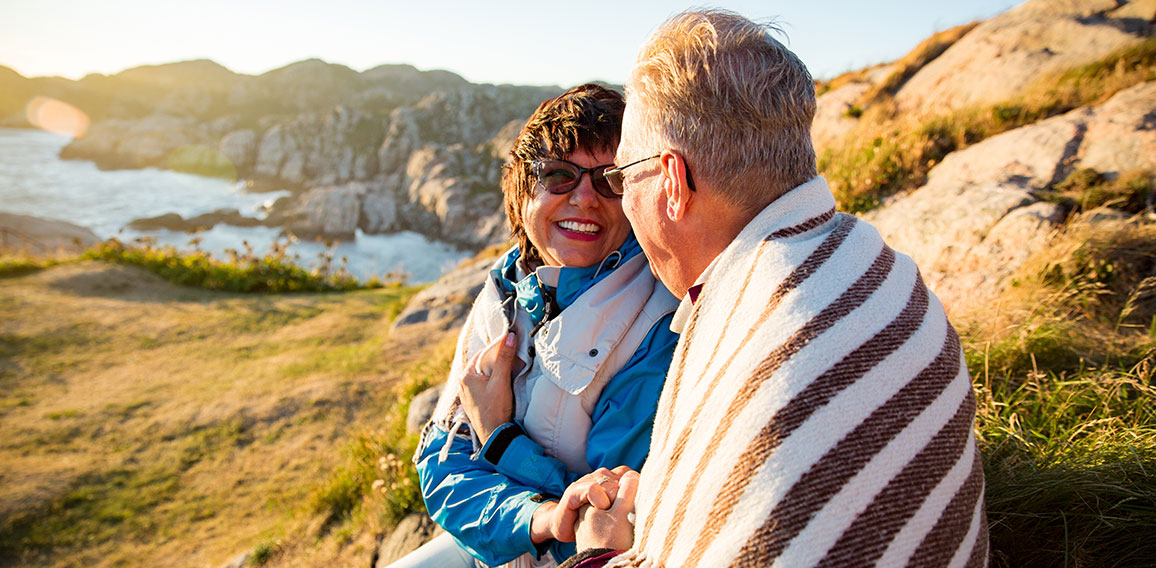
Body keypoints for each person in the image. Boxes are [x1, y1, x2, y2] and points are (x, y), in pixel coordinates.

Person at [556, 9, 989, 568]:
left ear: (673, 182)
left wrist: (596, 552)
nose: (620, 198)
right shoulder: (881, 264)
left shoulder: (739, 331)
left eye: (620, 177)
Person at [395, 84, 680, 568]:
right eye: (559, 176)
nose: (585, 198)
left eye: (609, 179)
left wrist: (498, 436)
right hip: (497, 544)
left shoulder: (656, 319)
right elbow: (441, 464)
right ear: (521, 189)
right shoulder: (506, 287)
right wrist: (536, 517)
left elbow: (607, 519)